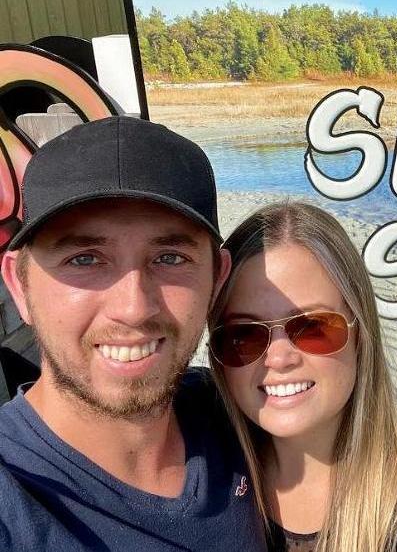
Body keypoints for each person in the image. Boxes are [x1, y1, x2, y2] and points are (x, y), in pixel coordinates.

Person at [0, 117, 267, 551]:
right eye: (85, 259)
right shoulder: (12, 499)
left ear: (216, 279)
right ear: (19, 285)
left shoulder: (245, 418)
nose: (134, 308)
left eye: (170, 258)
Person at [208, 202, 397, 552]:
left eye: (313, 327)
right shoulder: (200, 445)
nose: (279, 357)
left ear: (360, 335)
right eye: (243, 336)